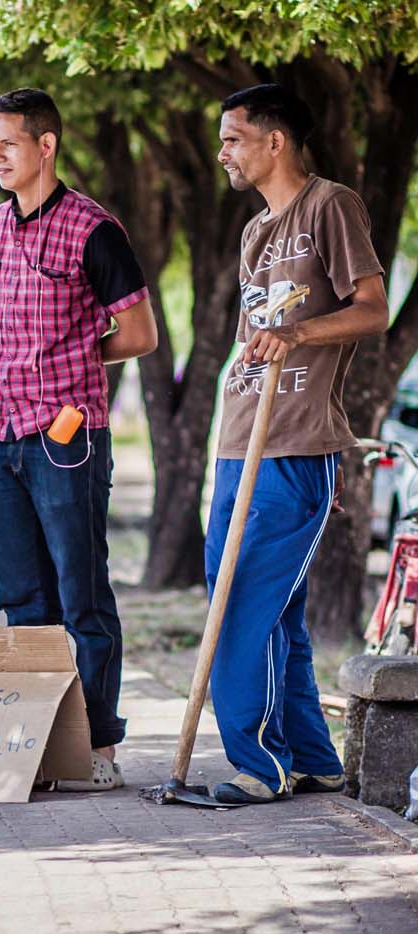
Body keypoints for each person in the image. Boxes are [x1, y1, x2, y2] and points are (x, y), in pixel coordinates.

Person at [0, 88, 158, 791]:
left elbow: (142, 334)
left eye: (9, 143)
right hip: (0, 442)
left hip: (67, 439)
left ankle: (98, 747)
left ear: (46, 145)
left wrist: (73, 358)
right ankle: (36, 746)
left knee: (82, 596)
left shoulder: (93, 228)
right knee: (22, 601)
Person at [206, 84, 388, 804]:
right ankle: (313, 758)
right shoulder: (256, 232)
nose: (221, 152)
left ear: (273, 141)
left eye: (232, 138)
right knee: (274, 612)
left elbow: (371, 311)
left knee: (240, 608)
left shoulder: (331, 206)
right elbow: (255, 335)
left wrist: (298, 333)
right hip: (238, 442)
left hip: (296, 446)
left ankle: (258, 764)